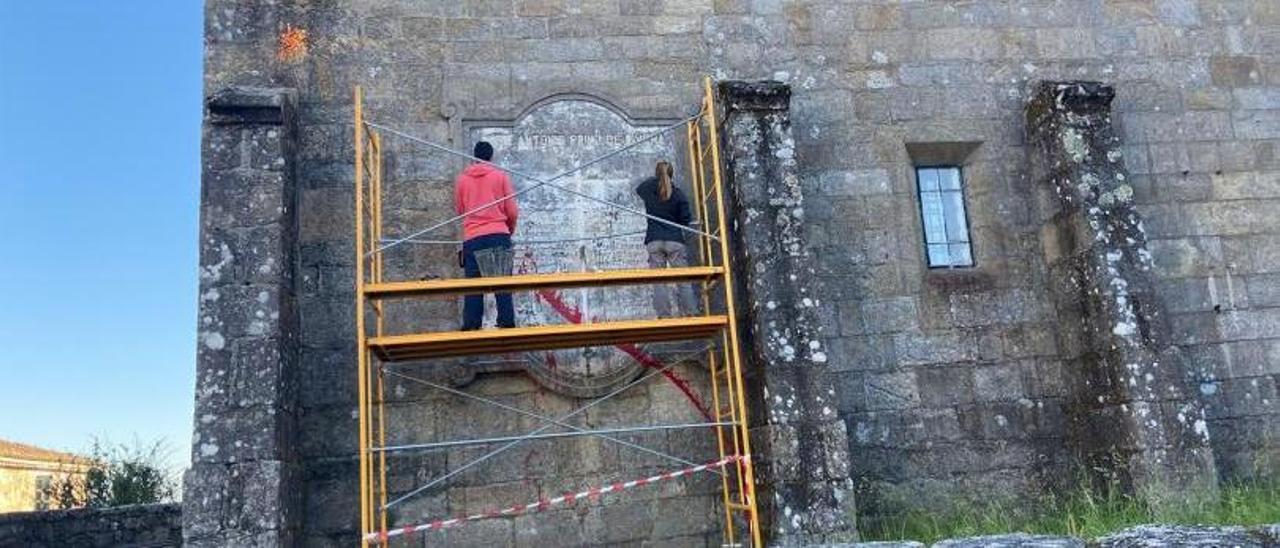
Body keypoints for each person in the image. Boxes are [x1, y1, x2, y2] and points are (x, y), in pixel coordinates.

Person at [455, 141, 518, 330]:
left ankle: (472, 326)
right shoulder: (500, 176)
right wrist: (508, 230)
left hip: (473, 237)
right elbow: (512, 211)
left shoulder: (462, 180)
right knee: (502, 285)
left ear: (474, 157)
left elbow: (460, 210)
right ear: (491, 157)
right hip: (498, 234)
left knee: (474, 288)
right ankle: (506, 322)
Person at [636, 160, 698, 318]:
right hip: (674, 240)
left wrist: (657, 178)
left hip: (654, 240)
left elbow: (639, 188)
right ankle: (691, 312)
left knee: (659, 281)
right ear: (672, 174)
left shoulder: (649, 191)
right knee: (683, 280)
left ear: (656, 174)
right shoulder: (678, 194)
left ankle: (664, 315)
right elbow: (685, 220)